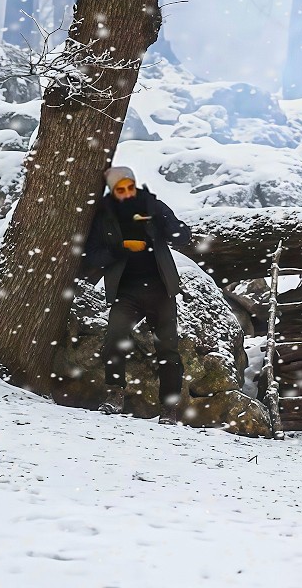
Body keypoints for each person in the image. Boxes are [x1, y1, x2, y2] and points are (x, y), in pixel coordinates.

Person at [80, 166, 191, 419]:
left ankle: (169, 408)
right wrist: (122, 247)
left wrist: (162, 222)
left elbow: (182, 236)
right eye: (121, 189)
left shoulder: (153, 206)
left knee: (168, 351)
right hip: (126, 292)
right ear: (113, 191)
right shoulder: (104, 216)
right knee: (114, 341)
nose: (127, 193)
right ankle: (115, 394)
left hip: (161, 290)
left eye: (130, 187)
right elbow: (92, 255)